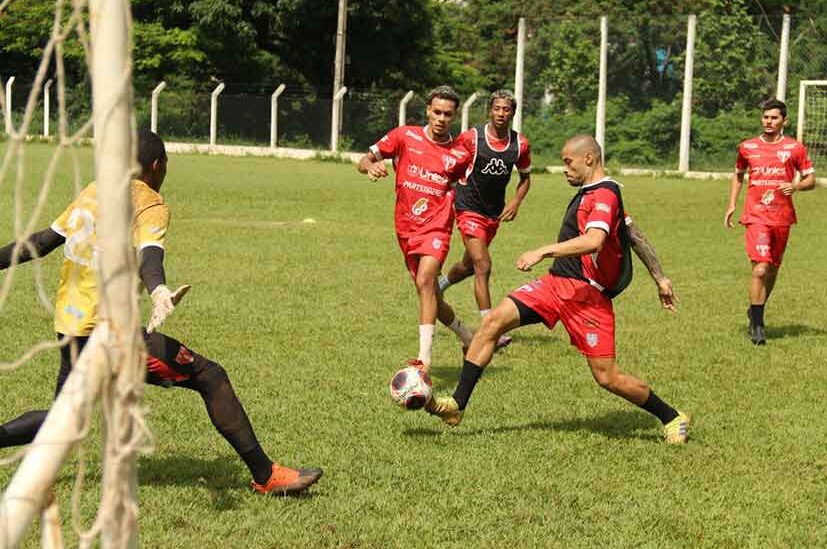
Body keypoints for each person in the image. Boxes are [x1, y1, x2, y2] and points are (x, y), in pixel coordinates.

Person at [0, 131, 322, 496]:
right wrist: (158, 291)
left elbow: (41, 243)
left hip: (71, 327)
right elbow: (149, 255)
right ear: (157, 166)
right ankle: (267, 476)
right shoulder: (149, 203)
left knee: (65, 420)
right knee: (210, 375)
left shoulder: (94, 191)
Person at [424, 134, 690, 445]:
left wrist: (543, 251)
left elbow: (594, 241)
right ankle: (457, 405)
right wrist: (660, 277)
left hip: (587, 297)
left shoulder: (604, 195)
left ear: (588, 158)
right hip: (554, 286)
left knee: (607, 377)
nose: (564, 168)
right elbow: (634, 234)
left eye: (568, 162)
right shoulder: (595, 192)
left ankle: (672, 416)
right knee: (493, 322)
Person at [357, 85, 482, 371]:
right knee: (430, 294)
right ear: (427, 110)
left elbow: (463, 192)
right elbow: (364, 160)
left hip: (437, 227)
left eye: (447, 114)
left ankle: (423, 359)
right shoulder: (404, 136)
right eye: (437, 112)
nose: (441, 118)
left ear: (455, 116)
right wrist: (370, 167)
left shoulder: (460, 154)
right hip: (405, 228)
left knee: (427, 280)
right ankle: (466, 335)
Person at [438, 90, 532, 349]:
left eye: (507, 109)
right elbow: (448, 163)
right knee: (483, 265)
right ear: (490, 111)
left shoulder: (520, 144)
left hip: (493, 213)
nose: (502, 114)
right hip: (468, 207)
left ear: (513, 112)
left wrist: (515, 201)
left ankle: (440, 285)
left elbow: (525, 179)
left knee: (468, 266)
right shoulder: (473, 138)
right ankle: (489, 330)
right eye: (497, 109)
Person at [724, 98, 815, 345]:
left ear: (784, 121)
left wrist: (795, 186)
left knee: (773, 269)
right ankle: (757, 325)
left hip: (782, 217)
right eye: (765, 117)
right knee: (761, 268)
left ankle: (756, 308)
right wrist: (732, 204)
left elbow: (811, 180)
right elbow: (738, 175)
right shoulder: (747, 147)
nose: (768, 122)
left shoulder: (795, 148)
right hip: (756, 216)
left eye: (774, 118)